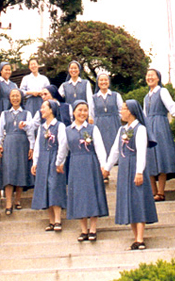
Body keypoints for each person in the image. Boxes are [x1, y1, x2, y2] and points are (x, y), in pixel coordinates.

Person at [103, 100, 158, 250]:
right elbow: (115, 150)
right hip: (124, 167)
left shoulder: (140, 130)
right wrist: (107, 167)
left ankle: (140, 238)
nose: (121, 112)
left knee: (138, 199)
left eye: (123, 109)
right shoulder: (122, 130)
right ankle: (136, 238)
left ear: (131, 111)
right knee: (129, 201)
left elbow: (141, 151)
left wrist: (139, 171)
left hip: (135, 166)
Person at [56, 100, 109, 242]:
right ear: (73, 112)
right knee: (79, 196)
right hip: (75, 164)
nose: (82, 113)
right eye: (79, 110)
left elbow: (100, 148)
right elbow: (63, 149)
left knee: (92, 194)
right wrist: (59, 163)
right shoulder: (68, 131)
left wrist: (104, 165)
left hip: (90, 163)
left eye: (85, 110)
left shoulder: (92, 129)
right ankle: (83, 229)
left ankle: (93, 228)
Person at [143, 69, 175, 202]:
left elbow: (172, 106)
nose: (150, 78)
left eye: (153, 75)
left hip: (160, 126)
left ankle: (161, 192)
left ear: (158, 78)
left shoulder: (162, 91)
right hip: (148, 127)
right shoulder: (146, 97)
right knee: (149, 157)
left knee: (162, 156)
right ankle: (153, 192)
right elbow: (144, 114)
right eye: (148, 75)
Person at [0, 89, 35, 215]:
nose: (15, 98)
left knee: (20, 171)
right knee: (9, 172)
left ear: (21, 98)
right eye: (13, 96)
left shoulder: (27, 113)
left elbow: (30, 131)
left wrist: (32, 147)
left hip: (22, 144)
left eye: (17, 96)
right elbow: (0, 132)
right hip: (9, 144)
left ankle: (18, 200)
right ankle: (8, 203)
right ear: (9, 98)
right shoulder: (4, 114)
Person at [31, 100, 67, 232]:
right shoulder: (41, 127)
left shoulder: (59, 126)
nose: (41, 110)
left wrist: (59, 161)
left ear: (51, 109)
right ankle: (51, 220)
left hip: (54, 158)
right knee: (45, 187)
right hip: (43, 159)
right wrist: (35, 162)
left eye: (43, 107)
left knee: (55, 186)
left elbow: (63, 144)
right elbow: (37, 146)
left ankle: (58, 219)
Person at [92, 72, 122, 160]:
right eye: (101, 80)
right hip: (99, 124)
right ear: (98, 82)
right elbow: (91, 114)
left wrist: (116, 120)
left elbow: (121, 110)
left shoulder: (116, 95)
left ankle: (116, 160)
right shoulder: (93, 97)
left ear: (109, 82)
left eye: (105, 80)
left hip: (114, 123)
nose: (103, 82)